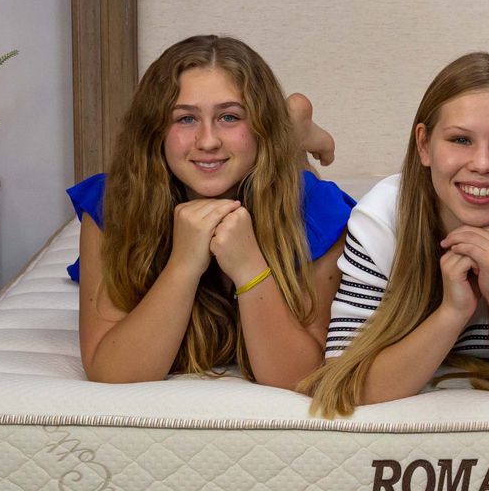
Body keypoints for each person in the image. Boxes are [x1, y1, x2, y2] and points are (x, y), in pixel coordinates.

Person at [300, 52, 489, 417]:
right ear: (424, 145)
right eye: (460, 140)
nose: (483, 164)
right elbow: (345, 384)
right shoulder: (381, 218)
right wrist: (452, 312)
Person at [70, 34, 352, 387]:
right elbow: (109, 370)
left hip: (273, 166)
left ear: (259, 124)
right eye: (185, 119)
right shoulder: (113, 203)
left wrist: (250, 266)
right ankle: (292, 122)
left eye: (229, 116)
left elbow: (299, 376)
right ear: (154, 131)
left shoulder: (317, 211)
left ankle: (295, 125)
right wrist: (184, 264)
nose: (207, 140)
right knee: (236, 151)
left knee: (271, 159)